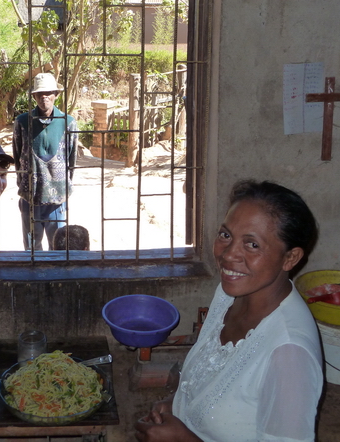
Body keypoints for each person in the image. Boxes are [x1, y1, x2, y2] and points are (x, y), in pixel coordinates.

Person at [135, 179, 324, 442]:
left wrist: (183, 439)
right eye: (226, 235)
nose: (228, 255)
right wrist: (178, 406)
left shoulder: (289, 355)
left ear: (290, 258)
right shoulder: (228, 295)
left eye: (252, 244)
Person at [12, 72, 78, 251]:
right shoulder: (22, 122)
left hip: (57, 199)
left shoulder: (68, 123)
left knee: (59, 248)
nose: (44, 97)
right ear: (34, 96)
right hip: (30, 197)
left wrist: (62, 186)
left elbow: (72, 161)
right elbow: (18, 156)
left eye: (48, 93)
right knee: (32, 250)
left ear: (56, 94)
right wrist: (25, 183)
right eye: (40, 94)